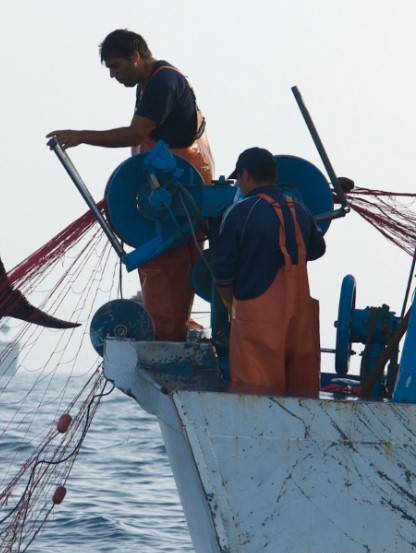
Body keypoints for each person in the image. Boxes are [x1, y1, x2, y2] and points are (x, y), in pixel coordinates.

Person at [47, 29, 215, 341]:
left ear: (135, 56)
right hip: (166, 188)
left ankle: (167, 337)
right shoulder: (148, 83)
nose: (112, 75)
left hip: (182, 191)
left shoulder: (163, 82)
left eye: (116, 66)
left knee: (169, 262)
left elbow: (136, 135)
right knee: (157, 261)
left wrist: (81, 136)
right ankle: (165, 328)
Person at [210, 147, 326, 397]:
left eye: (238, 178)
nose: (239, 184)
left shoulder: (241, 212)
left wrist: (229, 302)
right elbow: (317, 250)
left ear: (245, 174)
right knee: (301, 397)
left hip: (258, 323)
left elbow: (221, 269)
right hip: (299, 320)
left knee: (256, 399)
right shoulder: (301, 210)